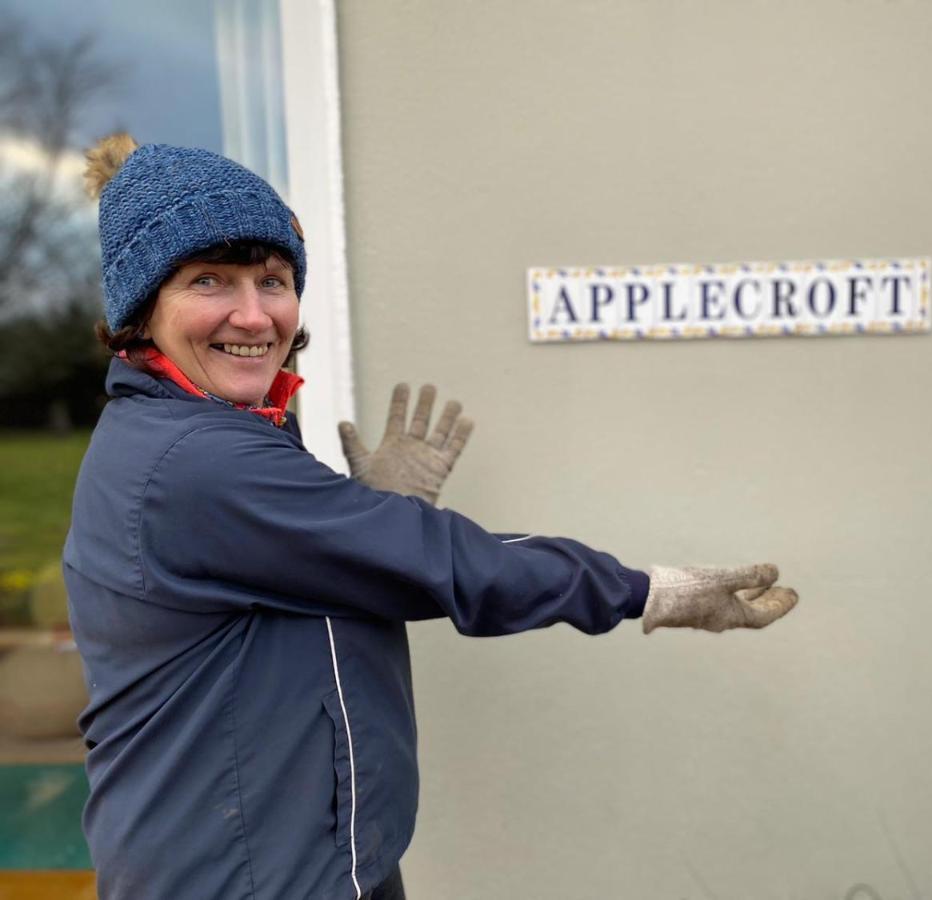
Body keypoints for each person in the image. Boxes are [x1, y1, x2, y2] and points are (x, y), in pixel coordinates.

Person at [64, 133, 798, 900]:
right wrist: (647, 589)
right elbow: (446, 562)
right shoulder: (196, 462)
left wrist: (372, 519)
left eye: (273, 279)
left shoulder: (215, 432)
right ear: (142, 310)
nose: (253, 314)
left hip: (298, 861)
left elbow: (335, 578)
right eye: (210, 280)